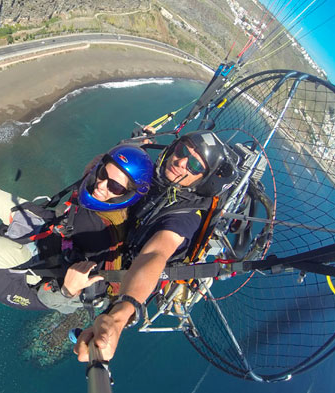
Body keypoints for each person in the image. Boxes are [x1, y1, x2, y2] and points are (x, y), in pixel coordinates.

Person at [74, 129, 238, 362]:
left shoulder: (185, 217)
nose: (181, 162)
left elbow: (155, 254)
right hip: (121, 236)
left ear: (203, 179)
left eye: (194, 165)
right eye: (182, 151)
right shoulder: (161, 178)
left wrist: (120, 315)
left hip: (124, 267)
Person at [0, 144, 155, 302]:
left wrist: (67, 292)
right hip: (46, 224)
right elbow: (97, 163)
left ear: (127, 195)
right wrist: (131, 148)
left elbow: (78, 274)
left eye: (114, 186)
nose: (101, 185)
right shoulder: (94, 190)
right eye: (104, 174)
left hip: (34, 255)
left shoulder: (98, 230)